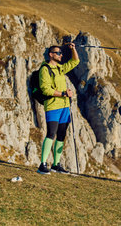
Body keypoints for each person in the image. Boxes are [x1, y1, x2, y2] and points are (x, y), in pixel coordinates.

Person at [37, 43, 79, 174]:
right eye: (58, 53)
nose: (61, 55)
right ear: (51, 54)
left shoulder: (60, 68)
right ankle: (43, 164)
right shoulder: (45, 69)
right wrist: (63, 93)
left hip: (64, 106)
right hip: (53, 105)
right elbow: (45, 89)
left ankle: (56, 164)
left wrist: (73, 49)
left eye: (61, 53)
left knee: (61, 135)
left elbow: (75, 61)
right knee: (51, 133)